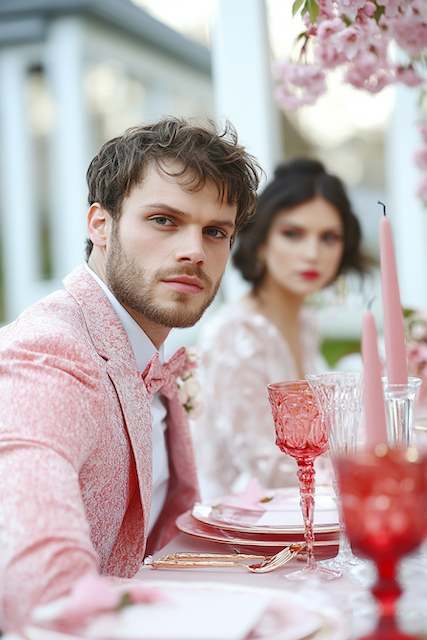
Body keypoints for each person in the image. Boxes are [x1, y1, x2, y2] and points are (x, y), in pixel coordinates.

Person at [0, 117, 260, 630]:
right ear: (100, 224)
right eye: (164, 220)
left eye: (215, 231)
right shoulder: (48, 353)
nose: (194, 251)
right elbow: (42, 581)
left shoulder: (146, 351)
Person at [194, 159, 367, 497]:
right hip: (240, 526)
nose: (312, 253)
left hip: (301, 517)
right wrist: (361, 470)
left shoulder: (306, 325)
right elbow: (267, 468)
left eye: (329, 237)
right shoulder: (235, 333)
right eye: (293, 234)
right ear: (261, 240)